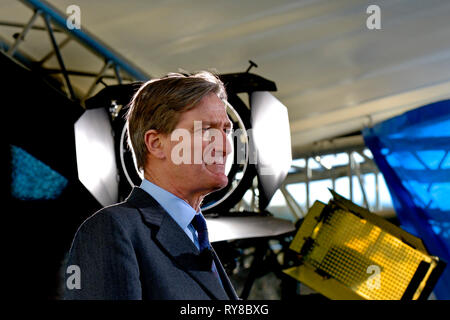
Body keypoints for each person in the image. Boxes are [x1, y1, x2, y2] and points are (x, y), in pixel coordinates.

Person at [64, 71, 239, 300]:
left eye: (225, 131)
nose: (225, 147)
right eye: (205, 130)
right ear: (156, 144)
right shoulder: (111, 229)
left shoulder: (195, 236)